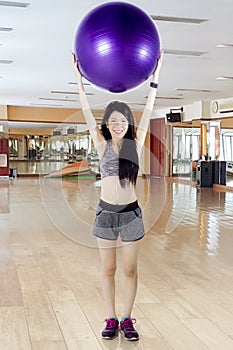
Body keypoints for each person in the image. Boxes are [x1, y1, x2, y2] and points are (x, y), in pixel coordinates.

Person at [72, 51, 163, 341]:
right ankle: (110, 317)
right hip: (106, 214)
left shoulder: (135, 145)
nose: (117, 124)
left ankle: (127, 318)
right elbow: (86, 112)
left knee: (129, 270)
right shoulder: (101, 144)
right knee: (108, 269)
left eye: (122, 120)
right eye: (112, 121)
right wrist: (79, 80)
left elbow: (149, 109)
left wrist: (155, 76)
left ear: (128, 123)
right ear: (107, 125)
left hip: (131, 215)